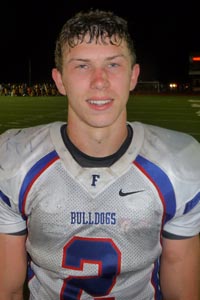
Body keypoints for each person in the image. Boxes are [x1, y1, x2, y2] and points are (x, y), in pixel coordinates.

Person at [0, 9, 199, 300]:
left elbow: (182, 289)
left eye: (113, 65)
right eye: (82, 66)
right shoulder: (15, 162)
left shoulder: (179, 165)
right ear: (59, 80)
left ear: (133, 76)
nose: (99, 81)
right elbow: (7, 288)